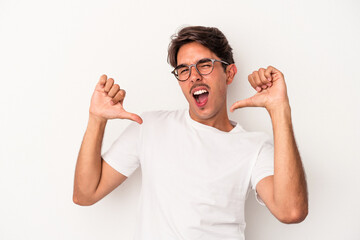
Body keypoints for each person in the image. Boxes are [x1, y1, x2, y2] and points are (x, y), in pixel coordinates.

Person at [73, 26, 308, 240]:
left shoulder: (254, 146)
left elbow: (291, 211)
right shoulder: (149, 126)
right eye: (183, 69)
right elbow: (85, 194)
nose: (194, 76)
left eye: (204, 65)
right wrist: (97, 120)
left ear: (229, 73)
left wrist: (280, 110)